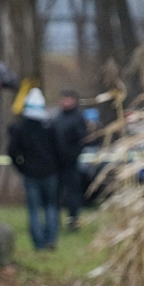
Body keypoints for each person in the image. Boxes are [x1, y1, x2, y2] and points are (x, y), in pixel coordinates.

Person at [9, 88, 60, 250]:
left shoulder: (20, 128)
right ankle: (51, 238)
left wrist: (22, 167)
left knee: (34, 209)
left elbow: (12, 151)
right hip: (50, 173)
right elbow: (59, 149)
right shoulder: (50, 127)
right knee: (51, 206)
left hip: (30, 173)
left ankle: (39, 243)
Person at [52, 89, 88, 232]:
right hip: (57, 163)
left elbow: (82, 140)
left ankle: (73, 221)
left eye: (68, 99)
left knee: (73, 193)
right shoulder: (57, 117)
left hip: (71, 163)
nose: (65, 102)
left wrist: (72, 155)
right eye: (63, 99)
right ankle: (54, 221)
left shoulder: (78, 118)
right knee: (55, 193)